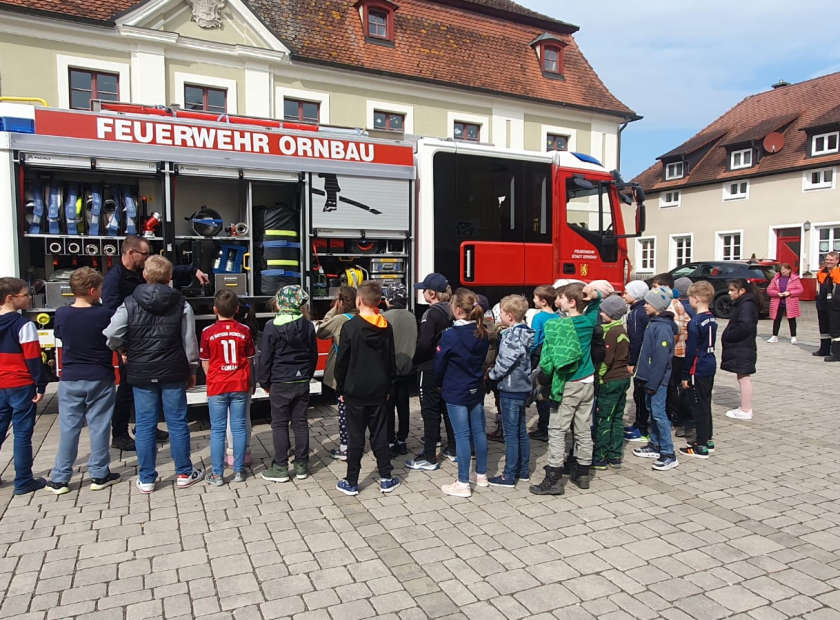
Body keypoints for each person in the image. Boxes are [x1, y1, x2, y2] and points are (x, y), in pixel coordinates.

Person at [104, 255, 204, 493]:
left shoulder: (129, 302)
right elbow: (189, 341)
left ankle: (147, 477)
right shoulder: (182, 304)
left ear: (145, 275)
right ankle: (184, 473)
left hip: (141, 371)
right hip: (173, 371)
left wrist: (122, 349)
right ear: (170, 278)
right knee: (178, 422)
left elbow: (111, 333)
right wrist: (192, 369)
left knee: (145, 424)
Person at [48, 268, 120, 495]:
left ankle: (60, 478)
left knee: (69, 428)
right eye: (99, 289)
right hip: (99, 375)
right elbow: (112, 338)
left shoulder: (61, 313)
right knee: (99, 426)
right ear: (92, 290)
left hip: (70, 377)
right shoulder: (104, 314)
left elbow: (59, 336)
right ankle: (99, 474)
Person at [531, 282, 607, 495]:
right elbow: (595, 306)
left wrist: (543, 378)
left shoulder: (556, 326)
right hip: (588, 381)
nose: (558, 301)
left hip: (568, 383)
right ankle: (582, 473)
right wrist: (596, 294)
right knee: (582, 427)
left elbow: (548, 359)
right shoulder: (588, 322)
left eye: (562, 298)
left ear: (572, 302)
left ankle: (553, 478)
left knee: (557, 430)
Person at [334, 281, 400, 496]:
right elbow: (391, 359)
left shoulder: (350, 327)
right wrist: (390, 385)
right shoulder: (386, 326)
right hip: (380, 390)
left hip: (354, 391)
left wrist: (341, 389)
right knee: (380, 435)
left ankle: (351, 481)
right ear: (379, 301)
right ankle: (386, 477)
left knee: (355, 438)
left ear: (358, 300)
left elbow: (342, 361)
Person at [434, 288, 490, 498]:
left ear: (457, 309)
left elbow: (439, 363)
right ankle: (481, 474)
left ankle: (463, 482)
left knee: (462, 436)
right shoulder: (482, 331)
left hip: (456, 388)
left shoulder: (451, 335)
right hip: (476, 386)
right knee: (479, 431)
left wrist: (438, 383)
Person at [259, 286, 318, 482]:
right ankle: (301, 466)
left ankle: (281, 467)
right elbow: (313, 354)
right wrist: (307, 374)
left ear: (281, 302)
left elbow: (266, 357)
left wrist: (264, 381)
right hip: (301, 380)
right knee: (300, 423)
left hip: (280, 381)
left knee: (280, 424)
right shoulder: (308, 325)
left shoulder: (271, 326)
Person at [200, 289, 256, 486]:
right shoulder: (244, 330)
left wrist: (214, 377)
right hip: (239, 383)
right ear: (237, 309)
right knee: (239, 427)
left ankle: (217, 474)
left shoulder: (207, 332)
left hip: (217, 385)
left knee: (217, 429)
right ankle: (239, 471)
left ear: (215, 309)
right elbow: (249, 360)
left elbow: (205, 361)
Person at [0, 277, 47, 495]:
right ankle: (23, 481)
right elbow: (33, 358)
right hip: (20, 383)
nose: (29, 298)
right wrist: (40, 385)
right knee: (22, 434)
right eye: (25, 294)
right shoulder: (24, 325)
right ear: (10, 298)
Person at [406, 273, 455, 471]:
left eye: (424, 290)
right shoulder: (451, 310)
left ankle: (429, 456)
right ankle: (453, 448)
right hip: (446, 367)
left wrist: (415, 360)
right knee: (445, 408)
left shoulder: (430, 314)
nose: (422, 292)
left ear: (432, 294)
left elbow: (424, 343)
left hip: (429, 367)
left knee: (429, 410)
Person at [486, 295, 534, 487]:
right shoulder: (525, 333)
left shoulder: (511, 336)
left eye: (502, 314)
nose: (500, 318)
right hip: (522, 388)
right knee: (521, 431)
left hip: (510, 389)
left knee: (511, 434)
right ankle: (523, 471)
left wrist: (492, 375)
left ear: (510, 316)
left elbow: (505, 362)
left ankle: (508, 474)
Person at [632, 286, 679, 471]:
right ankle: (655, 444)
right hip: (648, 378)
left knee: (659, 415)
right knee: (653, 410)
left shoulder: (662, 328)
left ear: (658, 306)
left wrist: (652, 382)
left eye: (648, 303)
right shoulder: (654, 322)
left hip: (657, 381)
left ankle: (668, 452)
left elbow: (660, 360)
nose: (644, 306)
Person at [317, 287, 357, 460]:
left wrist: (334, 308)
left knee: (344, 410)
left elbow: (321, 331)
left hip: (344, 372)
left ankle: (345, 448)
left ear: (341, 302)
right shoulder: (362, 316)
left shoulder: (340, 319)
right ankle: (357, 443)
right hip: (360, 370)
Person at [591, 295, 631, 470]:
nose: (600, 313)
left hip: (610, 380)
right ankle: (615, 455)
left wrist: (598, 378)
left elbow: (606, 360)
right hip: (623, 379)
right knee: (617, 418)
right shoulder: (621, 330)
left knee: (604, 418)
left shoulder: (611, 333)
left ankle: (600, 457)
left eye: (603, 311)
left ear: (610, 313)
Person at [679, 281, 718, 458]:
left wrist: (686, 374)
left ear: (695, 299)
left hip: (698, 367)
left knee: (698, 406)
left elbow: (691, 350)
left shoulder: (695, 322)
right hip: (709, 363)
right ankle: (707, 438)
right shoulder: (712, 318)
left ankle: (700, 445)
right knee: (706, 403)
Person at [382, 282, 417, 457]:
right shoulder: (411, 317)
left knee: (388, 408)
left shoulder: (384, 317)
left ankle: (389, 442)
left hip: (388, 372)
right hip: (407, 369)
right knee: (403, 407)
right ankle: (402, 441)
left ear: (389, 299)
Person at [651, 273, 689, 429]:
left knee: (670, 385)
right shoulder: (676, 302)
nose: (652, 290)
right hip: (678, 350)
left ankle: (670, 415)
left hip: (673, 352)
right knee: (673, 384)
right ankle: (672, 414)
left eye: (655, 287)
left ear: (665, 287)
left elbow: (674, 330)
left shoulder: (670, 304)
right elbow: (686, 322)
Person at [721, 278, 760, 419]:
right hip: (743, 346)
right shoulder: (744, 304)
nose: (729, 293)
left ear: (742, 291)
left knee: (744, 377)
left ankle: (745, 410)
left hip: (743, 347)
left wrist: (729, 335)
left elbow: (745, 326)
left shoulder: (746, 305)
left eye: (732, 290)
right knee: (742, 376)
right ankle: (744, 407)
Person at [528, 285, 559, 442]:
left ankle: (543, 427)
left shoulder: (538, 317)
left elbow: (534, 339)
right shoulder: (558, 317)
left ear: (544, 301)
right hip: (553, 356)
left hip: (539, 356)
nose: (533, 300)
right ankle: (550, 424)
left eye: (535, 297)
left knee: (540, 392)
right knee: (549, 391)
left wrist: (529, 354)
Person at [622, 280, 651, 443]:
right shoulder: (641, 310)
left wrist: (631, 361)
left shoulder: (635, 314)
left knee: (639, 393)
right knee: (639, 393)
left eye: (626, 292)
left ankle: (641, 428)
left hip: (640, 359)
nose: (624, 295)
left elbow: (635, 339)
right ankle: (639, 424)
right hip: (644, 357)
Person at [767, 263, 803, 345]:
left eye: (784, 269)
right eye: (782, 269)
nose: (783, 271)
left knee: (791, 319)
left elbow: (800, 290)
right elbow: (769, 290)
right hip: (778, 301)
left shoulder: (794, 279)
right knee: (777, 319)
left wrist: (790, 292)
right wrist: (777, 293)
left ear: (789, 270)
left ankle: (793, 337)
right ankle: (774, 336)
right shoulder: (776, 278)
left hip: (790, 302)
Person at [816, 252, 840, 361]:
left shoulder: (838, 272)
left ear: (837, 261)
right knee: (824, 328)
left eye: (831, 260)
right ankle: (824, 349)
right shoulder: (821, 272)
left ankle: (837, 353)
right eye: (827, 259)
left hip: (835, 306)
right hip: (822, 304)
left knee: (835, 330)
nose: (828, 262)